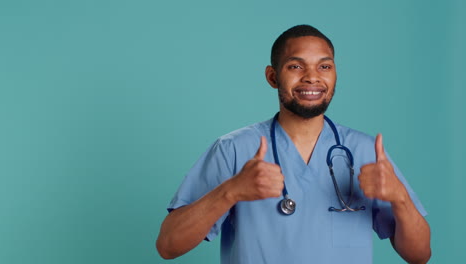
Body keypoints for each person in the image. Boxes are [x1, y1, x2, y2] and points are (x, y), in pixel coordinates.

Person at [156, 25, 431, 264]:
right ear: (272, 76)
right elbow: (168, 245)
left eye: (324, 66)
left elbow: (419, 256)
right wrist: (231, 191)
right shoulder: (234, 149)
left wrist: (400, 198)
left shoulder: (365, 152)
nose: (312, 77)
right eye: (295, 66)